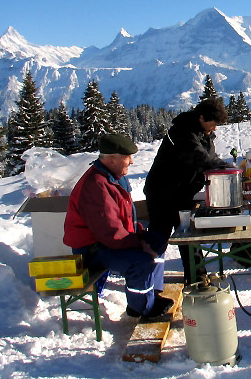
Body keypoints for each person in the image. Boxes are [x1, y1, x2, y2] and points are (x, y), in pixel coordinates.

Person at [63, 134, 172, 318]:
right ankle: (141, 307)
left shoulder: (113, 177)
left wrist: (140, 234)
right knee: (141, 260)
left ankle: (152, 294)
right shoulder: (95, 186)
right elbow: (110, 233)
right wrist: (139, 243)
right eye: (126, 157)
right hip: (93, 249)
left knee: (158, 240)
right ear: (111, 159)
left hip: (111, 240)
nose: (131, 161)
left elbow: (124, 215)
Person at [144, 98, 234, 282]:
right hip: (162, 193)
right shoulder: (182, 132)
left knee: (188, 236)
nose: (215, 128)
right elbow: (202, 160)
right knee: (158, 238)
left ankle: (197, 278)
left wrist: (224, 167)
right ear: (201, 117)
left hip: (181, 192)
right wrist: (230, 170)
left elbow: (210, 157)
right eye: (213, 123)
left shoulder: (203, 133)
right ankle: (146, 280)